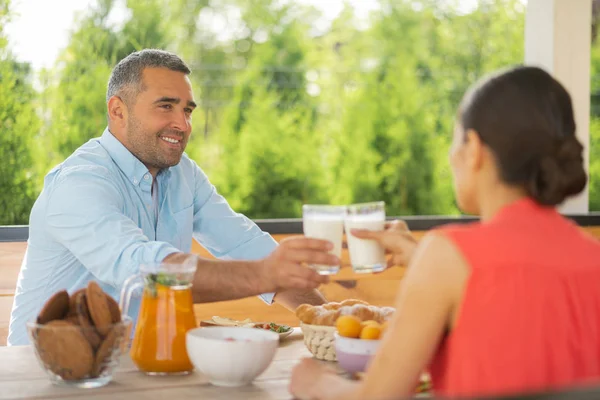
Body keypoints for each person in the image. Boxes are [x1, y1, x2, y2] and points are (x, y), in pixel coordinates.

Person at [290, 65, 600, 399]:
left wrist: (316, 383)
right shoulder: (592, 254)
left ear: (474, 149)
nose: (452, 157)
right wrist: (422, 257)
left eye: (455, 141)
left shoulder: (446, 254)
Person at [8, 49, 335, 346]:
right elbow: (142, 271)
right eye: (166, 106)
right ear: (118, 111)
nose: (182, 124)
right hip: (49, 375)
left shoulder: (183, 175)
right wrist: (266, 273)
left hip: (142, 367)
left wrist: (333, 322)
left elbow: (244, 245)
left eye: (188, 110)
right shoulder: (79, 182)